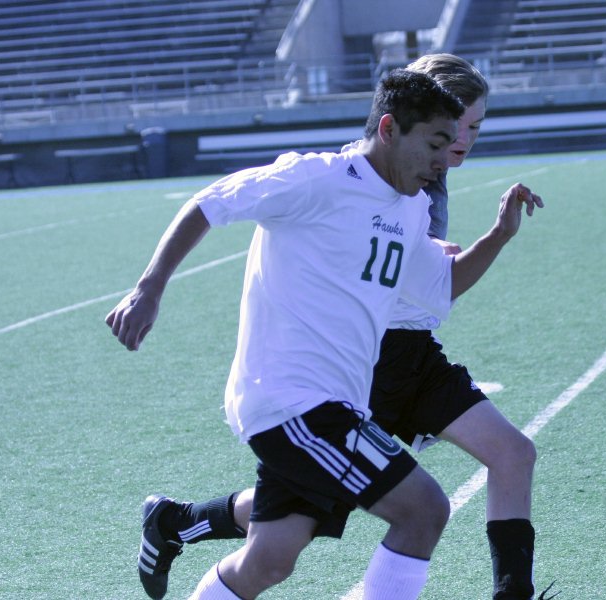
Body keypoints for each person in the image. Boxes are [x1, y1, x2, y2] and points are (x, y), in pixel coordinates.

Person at [107, 68, 543, 600]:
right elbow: (210, 203)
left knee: (269, 559)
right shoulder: (316, 179)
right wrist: (148, 289)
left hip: (337, 406)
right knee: (423, 510)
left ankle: (175, 528)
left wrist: (498, 237)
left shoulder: (409, 208)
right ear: (388, 129)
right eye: (435, 143)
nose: (443, 159)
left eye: (452, 143)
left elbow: (441, 286)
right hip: (293, 403)